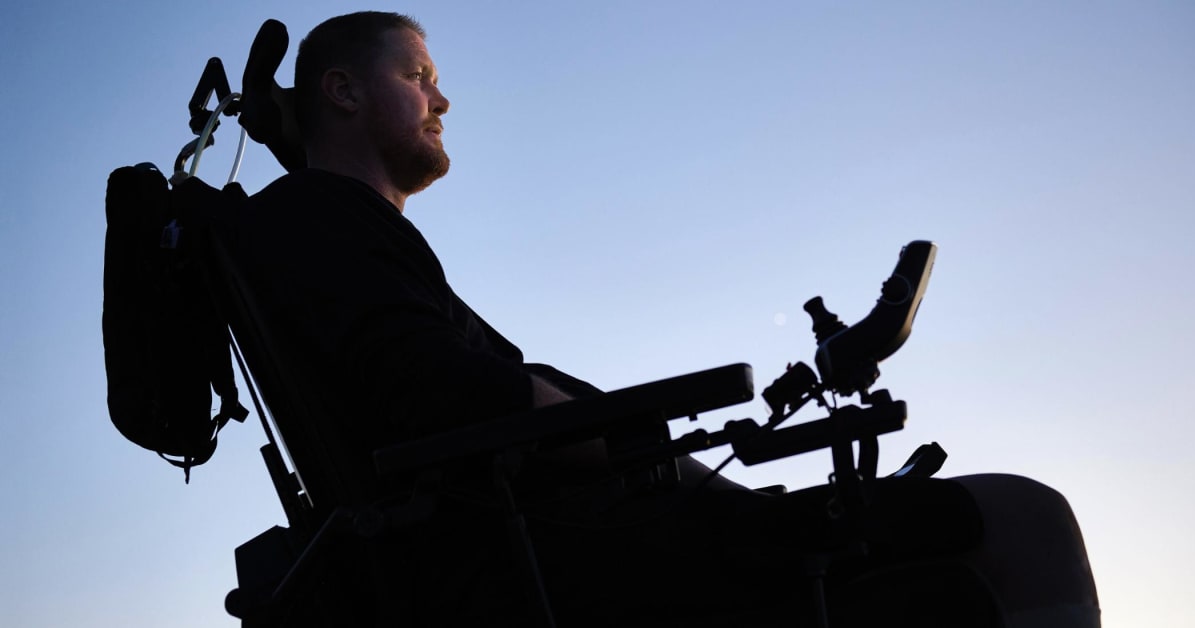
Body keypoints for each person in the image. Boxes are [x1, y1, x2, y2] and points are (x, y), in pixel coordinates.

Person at [231, 11, 1101, 627]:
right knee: (1024, 518)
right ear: (341, 92)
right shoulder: (315, 218)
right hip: (542, 562)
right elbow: (444, 397)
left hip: (561, 538)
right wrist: (662, 458)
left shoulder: (339, 231)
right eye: (418, 77)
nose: (443, 100)